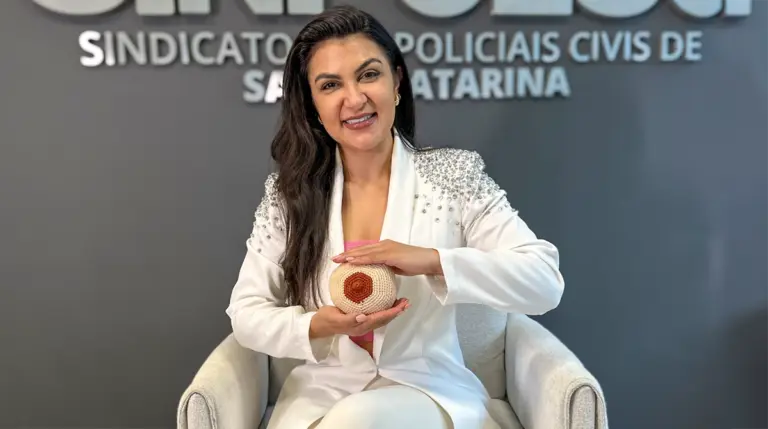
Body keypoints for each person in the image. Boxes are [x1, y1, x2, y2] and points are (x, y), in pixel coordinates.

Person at [225, 5, 565, 429]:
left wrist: (432, 260)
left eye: (368, 75)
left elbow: (544, 282)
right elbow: (246, 313)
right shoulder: (287, 197)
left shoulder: (453, 176)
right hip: (321, 399)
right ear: (312, 104)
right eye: (330, 85)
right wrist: (317, 325)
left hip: (427, 393)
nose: (354, 99)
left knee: (358, 419)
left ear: (396, 81)